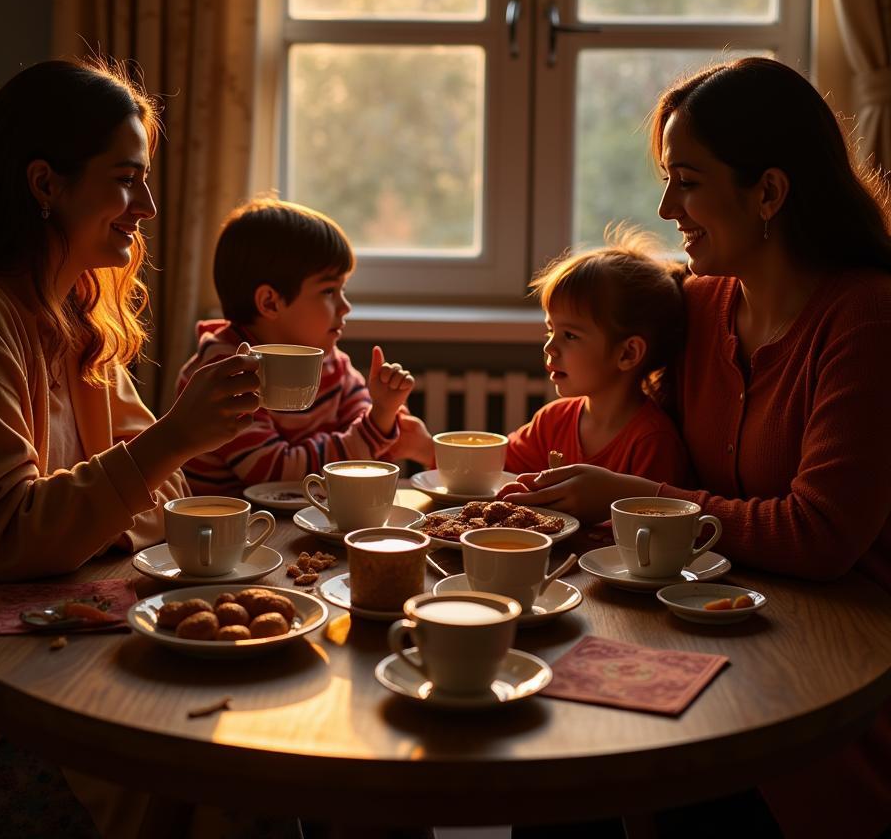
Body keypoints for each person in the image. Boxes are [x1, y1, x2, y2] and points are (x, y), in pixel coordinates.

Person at [0, 59, 271, 838]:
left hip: (47, 629)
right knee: (208, 773)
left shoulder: (77, 312)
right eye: (126, 180)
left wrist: (144, 469)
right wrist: (169, 441)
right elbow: (8, 536)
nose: (147, 207)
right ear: (46, 184)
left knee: (259, 733)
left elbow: (161, 501)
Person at [506, 57, 891, 838]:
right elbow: (631, 422)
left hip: (825, 667)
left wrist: (624, 496)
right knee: (544, 757)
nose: (663, 206)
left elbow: (820, 536)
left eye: (686, 180)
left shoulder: (866, 319)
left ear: (769, 194)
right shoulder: (698, 305)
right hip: (697, 631)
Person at [175, 198, 432, 494]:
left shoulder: (330, 361)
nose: (345, 306)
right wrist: (376, 425)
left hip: (300, 518)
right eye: (328, 291)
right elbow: (276, 476)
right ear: (270, 302)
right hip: (230, 530)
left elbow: (370, 448)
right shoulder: (226, 373)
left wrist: (384, 412)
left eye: (342, 290)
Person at [499, 228, 689, 490]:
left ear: (627, 354)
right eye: (550, 330)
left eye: (570, 335)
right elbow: (494, 470)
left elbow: (654, 524)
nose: (550, 347)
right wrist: (425, 445)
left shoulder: (652, 442)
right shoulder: (553, 420)